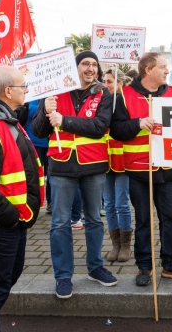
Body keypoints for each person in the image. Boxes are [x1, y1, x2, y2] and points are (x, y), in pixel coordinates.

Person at [32, 50, 117, 299]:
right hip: (61, 165)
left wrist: (64, 120)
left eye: (94, 64)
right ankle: (63, 276)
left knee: (94, 219)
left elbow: (99, 127)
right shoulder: (53, 92)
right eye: (85, 64)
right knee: (59, 223)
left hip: (94, 164)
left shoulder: (104, 93)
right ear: (74, 67)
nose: (91, 68)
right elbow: (38, 129)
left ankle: (95, 267)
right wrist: (47, 113)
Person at [110, 52, 172, 287]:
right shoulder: (124, 96)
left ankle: (171, 266)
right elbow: (115, 130)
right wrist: (138, 124)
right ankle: (144, 268)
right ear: (148, 70)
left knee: (169, 219)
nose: (167, 71)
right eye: (162, 67)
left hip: (167, 168)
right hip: (138, 169)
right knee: (143, 221)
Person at [0, 66, 43, 331]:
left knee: (6, 278)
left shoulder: (6, 118)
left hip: (15, 220)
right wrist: (12, 217)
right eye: (22, 86)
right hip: (1, 223)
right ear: (8, 91)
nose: (26, 90)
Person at [102, 68, 132, 262]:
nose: (106, 85)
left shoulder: (126, 101)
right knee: (109, 203)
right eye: (104, 81)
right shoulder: (101, 101)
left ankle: (126, 245)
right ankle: (115, 244)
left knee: (122, 202)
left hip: (121, 157)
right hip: (104, 157)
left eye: (110, 81)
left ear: (120, 83)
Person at [25, 99, 52, 214]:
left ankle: (51, 203)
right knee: (35, 175)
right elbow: (28, 110)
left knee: (52, 176)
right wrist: (45, 108)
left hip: (52, 142)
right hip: (36, 141)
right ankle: (34, 203)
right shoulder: (34, 92)